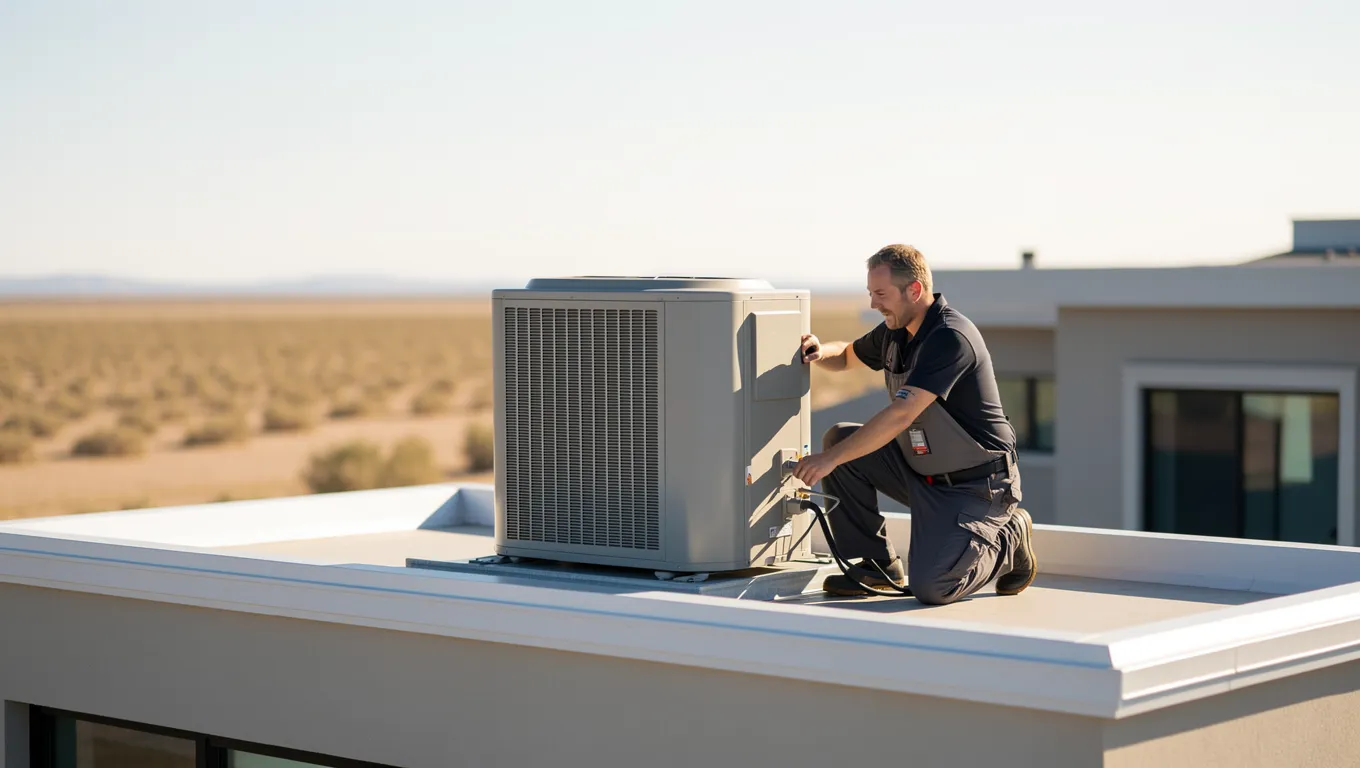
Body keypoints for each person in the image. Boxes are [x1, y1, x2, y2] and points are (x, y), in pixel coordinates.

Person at [791, 244, 1037, 603]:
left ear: (915, 290)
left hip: (976, 487)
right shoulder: (897, 331)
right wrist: (819, 350)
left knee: (933, 587)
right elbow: (846, 356)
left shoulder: (950, 337)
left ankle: (1010, 534)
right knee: (840, 438)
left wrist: (829, 461)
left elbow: (902, 413)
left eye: (880, 294)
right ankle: (875, 566)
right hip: (924, 475)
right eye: (870, 293)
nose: (874, 304)